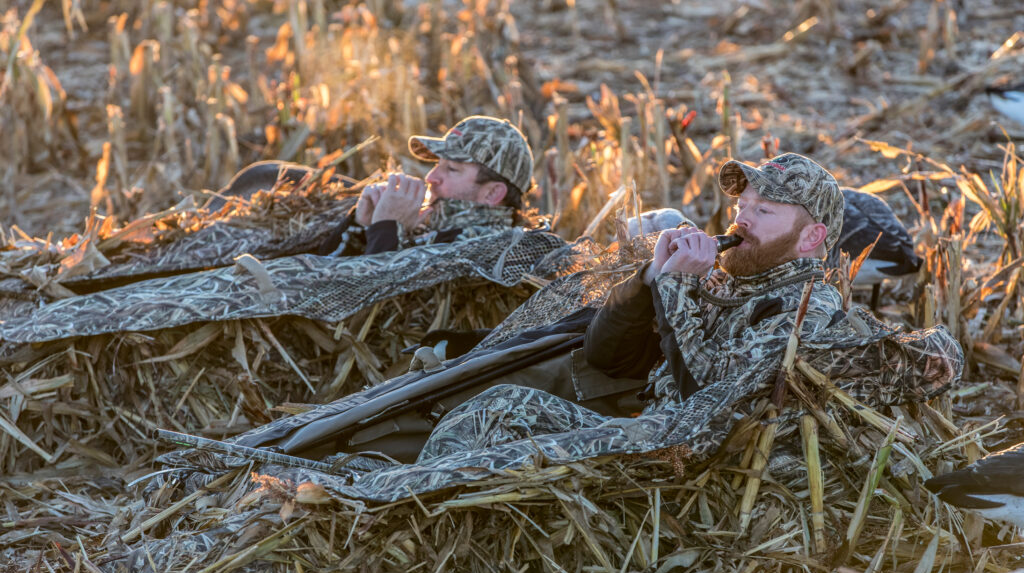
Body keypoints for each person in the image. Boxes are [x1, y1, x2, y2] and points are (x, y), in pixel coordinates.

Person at [418, 153, 847, 461]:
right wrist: (648, 281)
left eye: (764, 210)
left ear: (811, 238)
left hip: (672, 454)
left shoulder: (806, 307)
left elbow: (711, 402)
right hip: (644, 425)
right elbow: (604, 356)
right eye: (742, 206)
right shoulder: (725, 279)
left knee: (499, 411)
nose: (740, 221)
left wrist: (676, 286)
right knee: (488, 408)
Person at [209, 115, 535, 256]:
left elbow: (372, 304)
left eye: (452, 169)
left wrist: (386, 227)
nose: (431, 178)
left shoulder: (483, 247)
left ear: (493, 194)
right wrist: (359, 224)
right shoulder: (437, 225)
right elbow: (328, 275)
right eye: (435, 165)